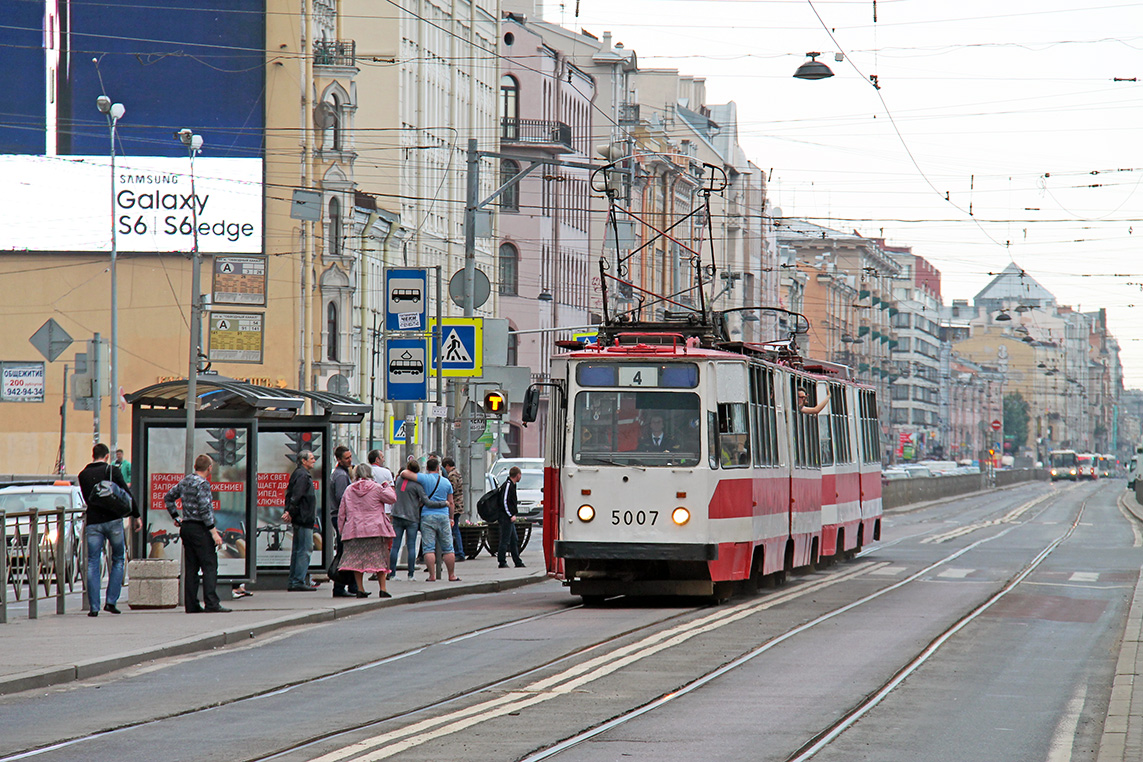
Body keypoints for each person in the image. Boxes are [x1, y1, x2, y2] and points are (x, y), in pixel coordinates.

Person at [78, 443, 141, 617]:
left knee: (92, 562)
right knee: (119, 558)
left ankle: (94, 607)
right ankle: (111, 601)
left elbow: (88, 499)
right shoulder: (112, 471)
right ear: (106, 456)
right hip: (113, 520)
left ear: (93, 455)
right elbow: (126, 493)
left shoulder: (83, 475)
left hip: (93, 522)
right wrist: (136, 515)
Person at [164, 454, 230, 613]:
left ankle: (191, 604)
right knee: (209, 565)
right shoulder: (203, 484)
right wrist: (214, 532)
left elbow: (168, 497)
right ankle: (212, 603)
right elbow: (205, 509)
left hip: (186, 527)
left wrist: (176, 517)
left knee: (191, 567)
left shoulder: (185, 481)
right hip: (200, 528)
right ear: (209, 468)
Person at [338, 464, 397, 598]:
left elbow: (342, 512)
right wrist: (387, 485)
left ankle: (360, 589)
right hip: (375, 529)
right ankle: (382, 589)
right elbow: (392, 498)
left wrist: (342, 530)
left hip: (354, 529)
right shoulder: (376, 488)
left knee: (357, 561)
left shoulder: (349, 489)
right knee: (379, 559)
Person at [399, 457, 459, 582]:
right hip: (443, 516)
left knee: (428, 548)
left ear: (427, 468)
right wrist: (451, 518)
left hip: (427, 516)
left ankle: (431, 576)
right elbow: (451, 503)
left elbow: (404, 473)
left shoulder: (424, 478)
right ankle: (451, 575)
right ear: (438, 468)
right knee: (448, 547)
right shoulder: (446, 482)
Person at [389, 461, 448, 579]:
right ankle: (410, 575)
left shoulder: (399, 480)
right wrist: (443, 503)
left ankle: (392, 574)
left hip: (397, 515)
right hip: (412, 518)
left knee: (395, 546)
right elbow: (427, 502)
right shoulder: (417, 485)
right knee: (411, 546)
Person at [281, 449, 318, 592]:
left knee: (298, 550)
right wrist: (290, 511)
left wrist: (289, 511)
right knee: (305, 550)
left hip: (300, 517)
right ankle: (298, 581)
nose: (314, 460)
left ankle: (294, 580)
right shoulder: (303, 476)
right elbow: (297, 496)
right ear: (304, 461)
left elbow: (290, 494)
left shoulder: (298, 474)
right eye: (312, 458)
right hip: (304, 518)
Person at [328, 445, 359, 598]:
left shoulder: (342, 473)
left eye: (350, 456)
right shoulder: (340, 476)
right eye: (346, 458)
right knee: (344, 552)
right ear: (338, 459)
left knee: (346, 551)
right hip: (341, 518)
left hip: (340, 517)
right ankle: (339, 586)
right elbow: (342, 498)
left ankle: (352, 585)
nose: (350, 460)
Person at [497, 466, 525, 568]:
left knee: (514, 539)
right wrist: (510, 515)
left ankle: (517, 561)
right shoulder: (508, 485)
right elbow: (504, 501)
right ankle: (502, 561)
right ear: (517, 475)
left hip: (509, 517)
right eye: (520, 475)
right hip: (506, 518)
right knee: (505, 539)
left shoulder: (512, 485)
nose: (520, 477)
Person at [442, 456, 466, 561]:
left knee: (454, 529)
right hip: (457, 505)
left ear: (447, 466)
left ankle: (459, 552)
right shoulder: (456, 473)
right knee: (454, 529)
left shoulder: (452, 476)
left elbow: (450, 490)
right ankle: (458, 551)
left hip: (454, 506)